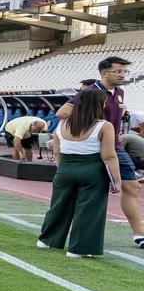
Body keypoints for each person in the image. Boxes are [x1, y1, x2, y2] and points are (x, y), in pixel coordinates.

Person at [57, 56, 144, 248]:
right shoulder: (89, 92)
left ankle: (139, 235)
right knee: (85, 193)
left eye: (124, 72)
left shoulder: (119, 92)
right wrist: (94, 127)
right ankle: (63, 231)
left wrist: (116, 130)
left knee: (132, 187)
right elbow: (62, 113)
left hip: (116, 147)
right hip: (94, 148)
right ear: (105, 73)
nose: (123, 75)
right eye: (118, 71)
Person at [39, 89, 122, 257]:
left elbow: (57, 152)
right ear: (99, 104)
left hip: (65, 170)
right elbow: (109, 156)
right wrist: (116, 181)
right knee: (89, 210)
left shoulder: (62, 123)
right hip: (92, 171)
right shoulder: (104, 126)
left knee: (59, 206)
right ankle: (79, 249)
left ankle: (47, 240)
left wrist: (63, 170)